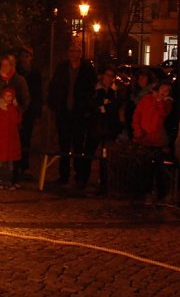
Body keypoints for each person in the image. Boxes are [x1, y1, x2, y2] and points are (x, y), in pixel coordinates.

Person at [46, 42, 97, 187]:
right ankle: (63, 175)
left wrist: (87, 108)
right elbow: (54, 87)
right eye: (72, 50)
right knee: (64, 146)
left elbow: (91, 90)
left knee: (78, 146)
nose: (74, 53)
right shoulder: (62, 68)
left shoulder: (87, 69)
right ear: (68, 53)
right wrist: (54, 105)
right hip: (64, 113)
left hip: (79, 114)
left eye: (77, 51)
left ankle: (79, 176)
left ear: (81, 53)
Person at [132, 82, 173, 205]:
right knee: (144, 169)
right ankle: (145, 192)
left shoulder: (167, 103)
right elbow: (137, 116)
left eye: (167, 91)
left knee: (158, 168)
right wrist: (138, 130)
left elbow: (163, 115)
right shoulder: (146, 100)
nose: (164, 92)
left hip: (157, 141)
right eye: (163, 89)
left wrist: (160, 101)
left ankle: (160, 193)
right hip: (143, 138)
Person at [90, 66, 123, 195]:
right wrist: (103, 108)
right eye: (107, 75)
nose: (108, 78)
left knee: (105, 155)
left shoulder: (114, 92)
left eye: (111, 76)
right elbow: (93, 105)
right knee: (90, 151)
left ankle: (104, 183)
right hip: (95, 125)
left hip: (108, 127)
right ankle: (82, 179)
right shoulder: (96, 90)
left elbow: (114, 107)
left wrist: (104, 108)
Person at [15, 46, 43, 181]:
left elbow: (38, 92)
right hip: (17, 109)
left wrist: (37, 109)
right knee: (16, 138)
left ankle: (24, 165)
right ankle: (16, 164)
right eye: (23, 56)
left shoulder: (35, 73)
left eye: (28, 56)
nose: (25, 59)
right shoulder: (17, 72)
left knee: (26, 138)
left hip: (29, 111)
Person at [0, 86, 22, 190]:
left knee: (11, 164)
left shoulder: (14, 110)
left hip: (11, 141)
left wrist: (14, 109)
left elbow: (17, 121)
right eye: (6, 95)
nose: (8, 98)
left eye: (10, 96)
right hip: (0, 141)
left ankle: (9, 182)